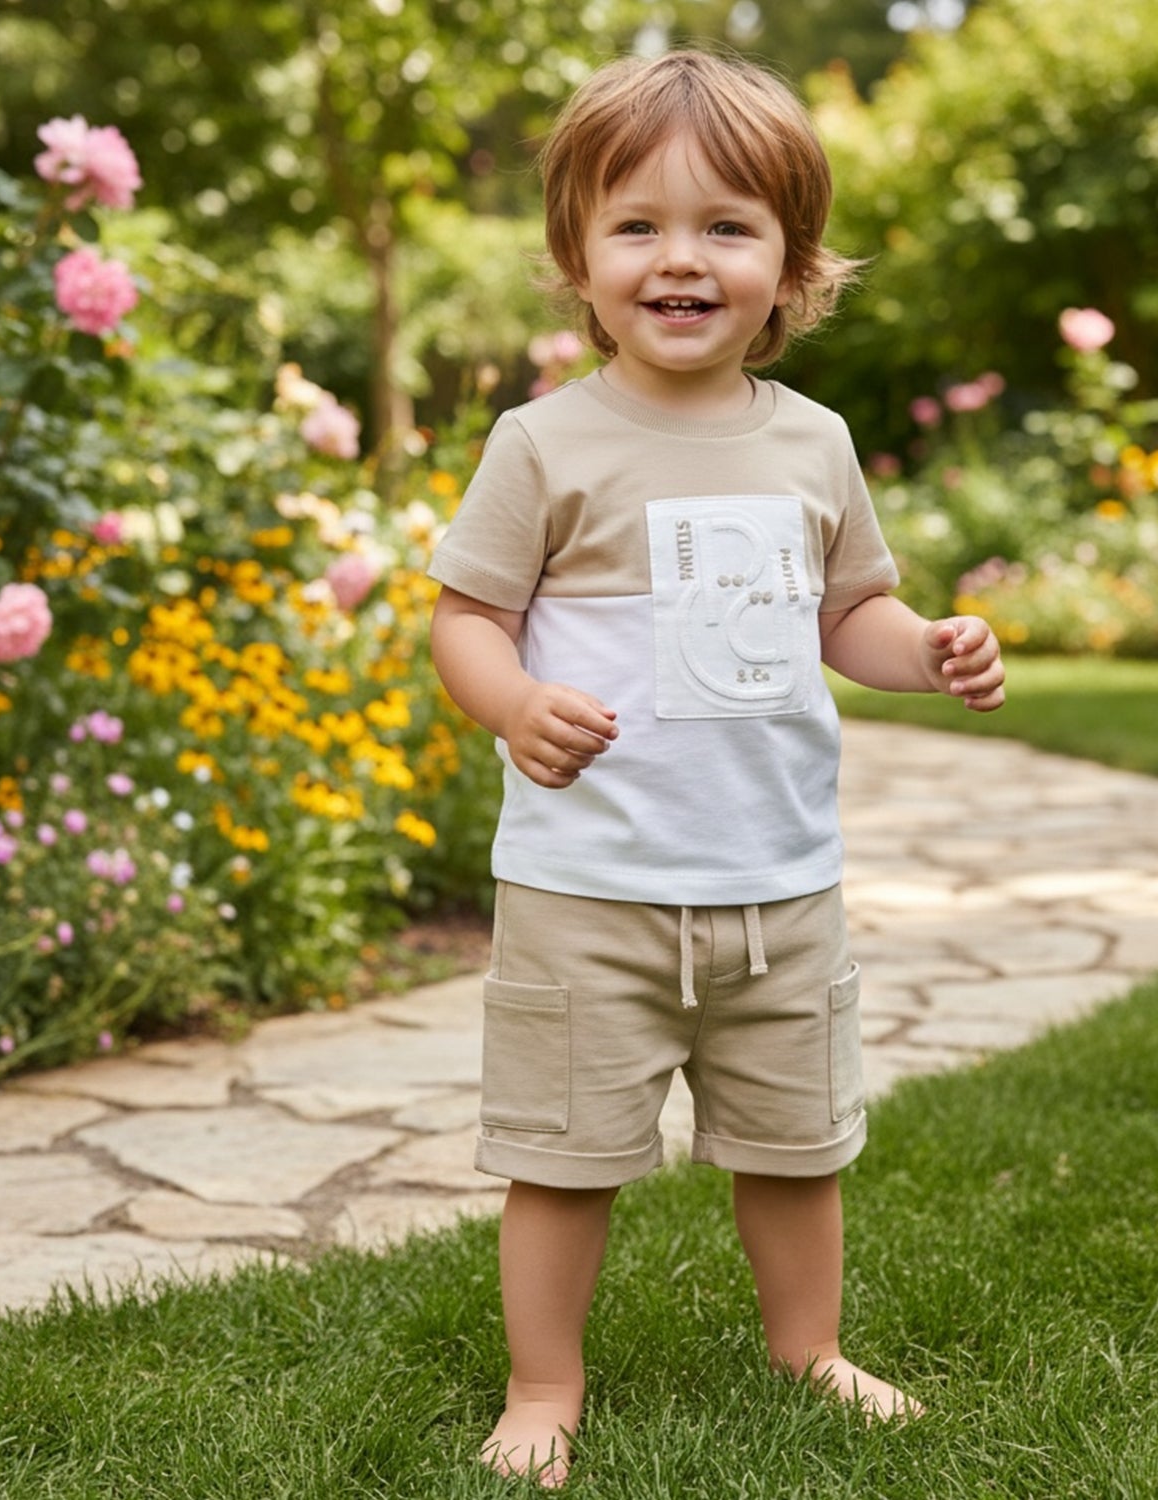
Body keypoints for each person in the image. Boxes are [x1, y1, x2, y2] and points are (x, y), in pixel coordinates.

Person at [427, 48, 1006, 1487]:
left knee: (796, 1148)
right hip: (588, 888)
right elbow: (466, 619)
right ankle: (544, 1384)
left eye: (726, 227)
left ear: (791, 266)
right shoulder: (545, 444)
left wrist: (927, 647)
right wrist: (516, 703)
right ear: (578, 257)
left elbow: (847, 616)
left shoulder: (813, 444)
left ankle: (808, 1350)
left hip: (776, 884)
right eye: (638, 225)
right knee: (564, 1157)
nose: (680, 258)